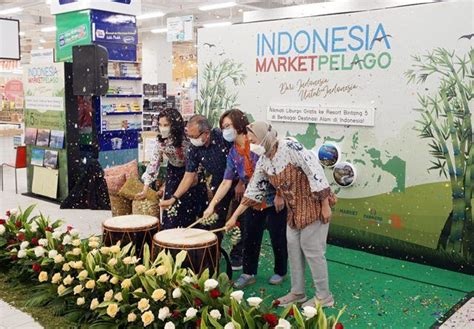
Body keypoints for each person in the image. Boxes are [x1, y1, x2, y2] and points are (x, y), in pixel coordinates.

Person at [225, 121, 337, 308]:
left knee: (313, 251)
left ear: (265, 138)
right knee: (293, 250)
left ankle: (324, 296)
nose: (251, 145)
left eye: (253, 140)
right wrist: (234, 217)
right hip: (293, 212)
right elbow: (253, 190)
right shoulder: (264, 160)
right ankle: (297, 292)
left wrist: (325, 205)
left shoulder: (290, 147)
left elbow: (314, 171)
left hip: (313, 205)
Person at [203, 110, 288, 288]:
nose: (225, 130)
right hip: (252, 201)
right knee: (250, 236)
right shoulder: (233, 153)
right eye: (223, 127)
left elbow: (280, 169)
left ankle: (280, 271)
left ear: (239, 125)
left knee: (277, 237)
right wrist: (212, 206)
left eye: (227, 126)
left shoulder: (258, 144)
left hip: (274, 199)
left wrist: (281, 194)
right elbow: (226, 182)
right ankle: (249, 273)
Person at [159, 114, 243, 269]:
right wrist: (173, 198)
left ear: (206, 133)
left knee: (240, 219)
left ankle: (238, 255)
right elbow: (188, 177)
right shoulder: (193, 149)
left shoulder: (223, 137)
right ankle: (212, 257)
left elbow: (242, 156)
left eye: (194, 136)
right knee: (216, 219)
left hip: (240, 179)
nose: (191, 139)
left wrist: (242, 183)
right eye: (188, 136)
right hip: (220, 181)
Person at [137, 108, 207, 229]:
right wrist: (145, 189)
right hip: (174, 174)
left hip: (192, 175)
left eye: (166, 125)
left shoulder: (188, 137)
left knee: (192, 216)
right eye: (160, 124)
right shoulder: (160, 141)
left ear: (174, 125)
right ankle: (171, 243)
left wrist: (196, 177)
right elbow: (154, 164)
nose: (162, 128)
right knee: (171, 215)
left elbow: (198, 160)